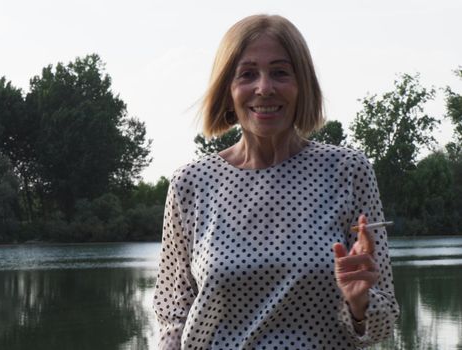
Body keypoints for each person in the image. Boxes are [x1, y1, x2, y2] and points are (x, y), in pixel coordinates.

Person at [153, 14, 399, 350]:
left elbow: (383, 325)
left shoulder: (348, 171)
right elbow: (172, 316)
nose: (265, 88)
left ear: (302, 86)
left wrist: (359, 304)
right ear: (228, 89)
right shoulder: (191, 183)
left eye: (280, 72)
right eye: (248, 74)